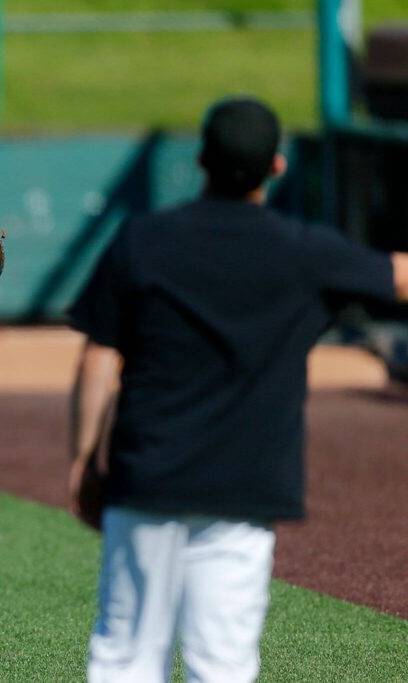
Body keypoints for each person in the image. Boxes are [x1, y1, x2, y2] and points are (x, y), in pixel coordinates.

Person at [65, 97, 408, 682]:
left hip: (148, 475)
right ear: (278, 166)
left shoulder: (144, 240)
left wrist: (84, 459)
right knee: (221, 664)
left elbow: (98, 356)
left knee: (125, 656)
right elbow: (399, 277)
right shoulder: (304, 252)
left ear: (201, 159)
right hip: (243, 489)